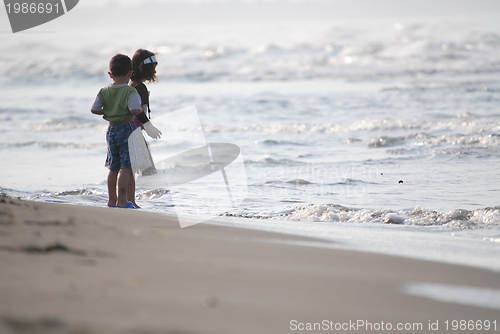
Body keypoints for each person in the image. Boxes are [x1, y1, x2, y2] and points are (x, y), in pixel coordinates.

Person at [91, 54, 158, 208]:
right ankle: (124, 200)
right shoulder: (131, 91)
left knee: (113, 168)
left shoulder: (104, 91)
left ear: (110, 74)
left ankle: (112, 200)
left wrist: (109, 111)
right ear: (130, 73)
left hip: (111, 130)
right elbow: (135, 110)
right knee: (127, 168)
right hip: (127, 131)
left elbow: (94, 109)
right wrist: (142, 116)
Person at [126, 49, 162, 206]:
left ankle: (127, 200)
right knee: (131, 170)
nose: (154, 71)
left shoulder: (132, 84)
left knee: (129, 169)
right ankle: (129, 201)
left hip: (130, 130)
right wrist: (149, 126)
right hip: (133, 132)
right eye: (152, 68)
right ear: (141, 67)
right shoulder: (138, 87)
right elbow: (137, 111)